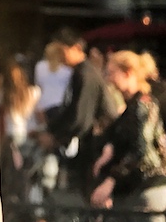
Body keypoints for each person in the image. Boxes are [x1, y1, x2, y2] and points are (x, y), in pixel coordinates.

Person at [91, 50, 166, 220]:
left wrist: (110, 182)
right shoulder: (133, 107)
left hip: (146, 188)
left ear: (128, 73)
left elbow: (140, 151)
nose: (108, 79)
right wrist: (110, 148)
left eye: (112, 73)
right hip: (138, 188)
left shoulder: (143, 106)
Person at [39, 28, 118, 197]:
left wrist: (56, 137)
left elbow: (80, 117)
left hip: (98, 143)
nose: (60, 56)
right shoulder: (82, 72)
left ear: (75, 48)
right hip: (91, 142)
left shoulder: (86, 74)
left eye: (62, 51)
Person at [0, 57, 41, 202]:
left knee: (11, 171)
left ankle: (13, 197)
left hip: (10, 137)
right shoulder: (34, 92)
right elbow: (40, 115)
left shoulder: (4, 94)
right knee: (28, 172)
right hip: (28, 136)